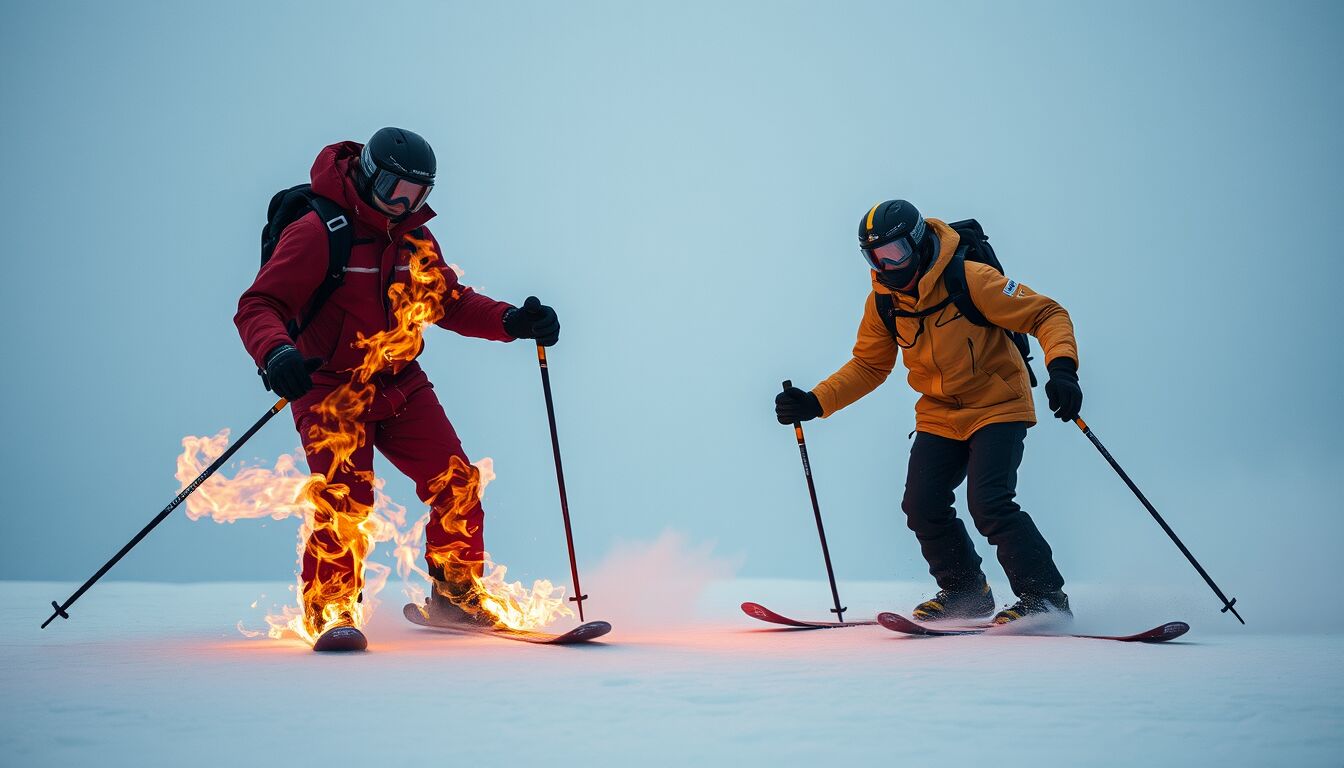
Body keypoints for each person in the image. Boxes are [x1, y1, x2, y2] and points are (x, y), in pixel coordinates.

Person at [235, 127, 560, 650]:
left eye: (415, 195)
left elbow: (448, 302)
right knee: (346, 498)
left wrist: (511, 321)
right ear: (367, 174)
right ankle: (331, 608)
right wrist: (277, 354)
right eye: (392, 189)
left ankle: (455, 595)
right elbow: (258, 305)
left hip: (399, 382)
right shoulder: (320, 231)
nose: (401, 203)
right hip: (329, 387)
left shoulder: (413, 238)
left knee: (456, 480)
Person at [775, 199, 1083, 625]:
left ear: (917, 243)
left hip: (997, 404)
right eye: (876, 256)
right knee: (921, 505)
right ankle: (965, 593)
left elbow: (1047, 313)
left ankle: (1045, 599)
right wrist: (816, 401)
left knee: (989, 503)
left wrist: (1063, 370)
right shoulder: (884, 301)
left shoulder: (972, 280)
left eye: (896, 252)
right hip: (939, 413)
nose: (888, 265)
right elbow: (869, 365)